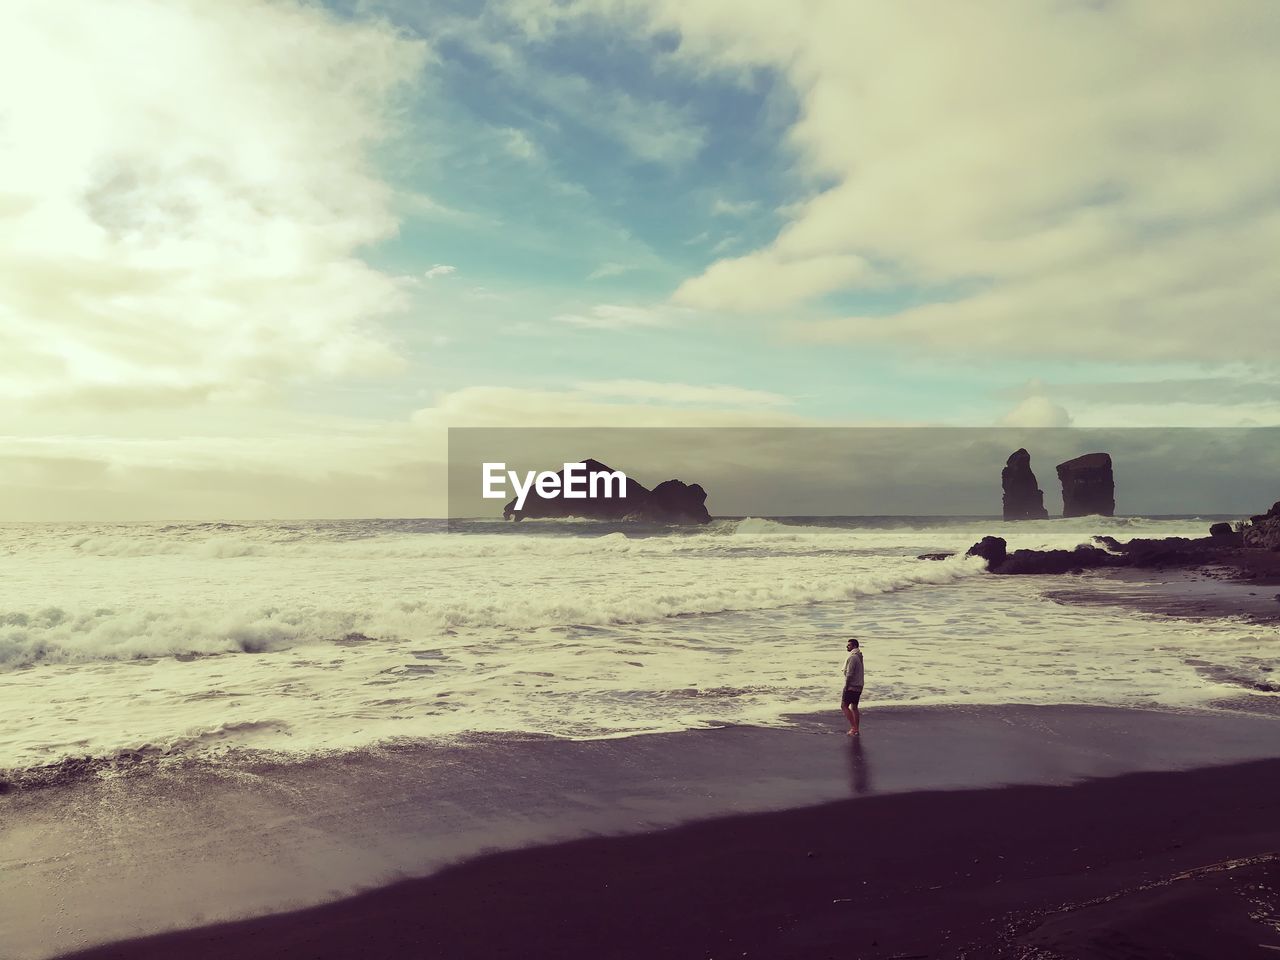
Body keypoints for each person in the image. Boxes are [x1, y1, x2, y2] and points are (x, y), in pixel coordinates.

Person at [841, 638, 864, 736]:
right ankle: (856, 729)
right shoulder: (859, 656)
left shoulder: (853, 657)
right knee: (854, 707)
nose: (847, 646)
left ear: (854, 646)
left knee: (844, 706)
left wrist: (846, 686)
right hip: (859, 685)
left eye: (849, 645)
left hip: (852, 686)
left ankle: (854, 728)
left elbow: (849, 674)